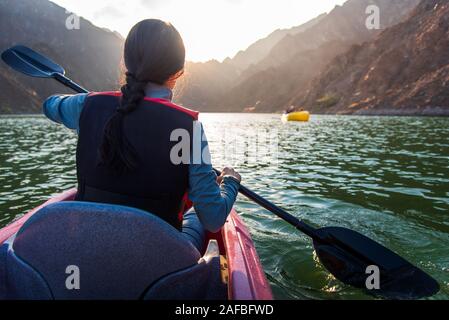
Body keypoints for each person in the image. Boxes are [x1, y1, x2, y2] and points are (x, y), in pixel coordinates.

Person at [42, 19, 241, 252]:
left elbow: (49, 105)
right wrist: (230, 182)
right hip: (156, 263)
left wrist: (88, 101)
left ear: (126, 62)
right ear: (179, 72)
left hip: (88, 247)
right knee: (196, 212)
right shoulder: (190, 128)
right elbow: (214, 218)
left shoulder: (87, 105)